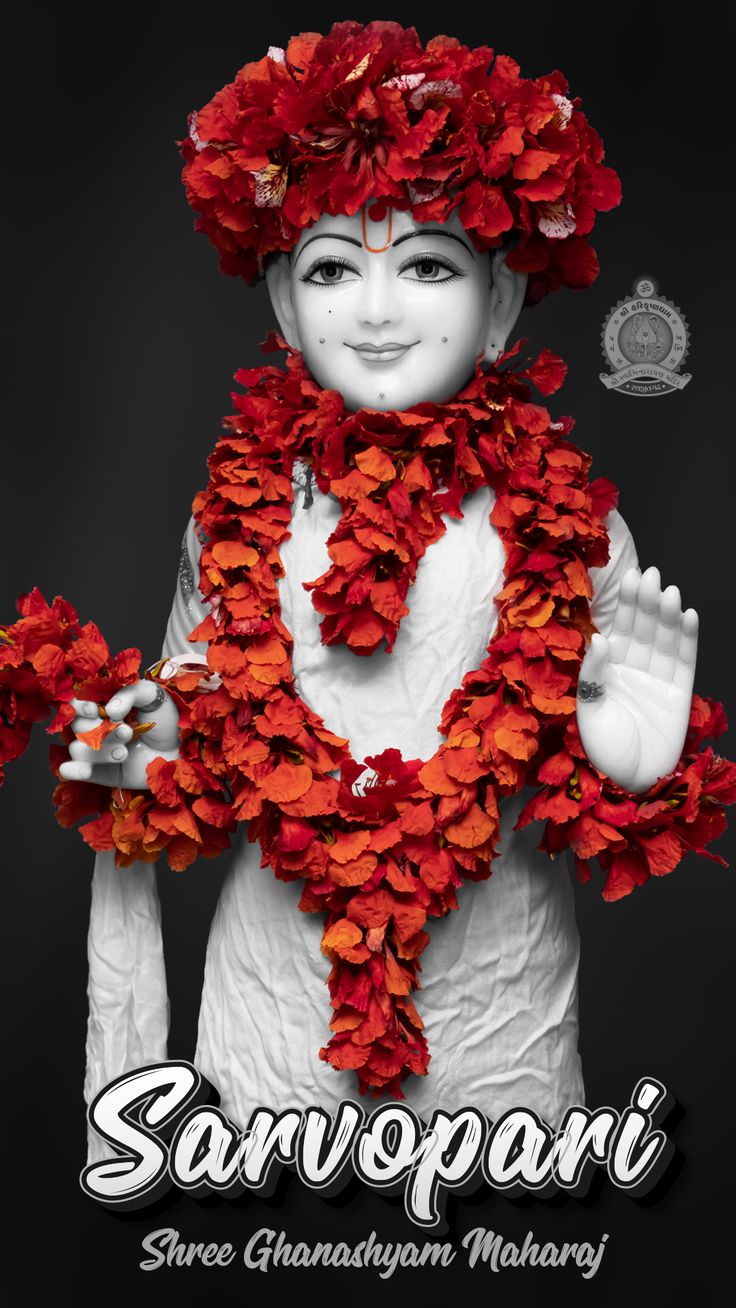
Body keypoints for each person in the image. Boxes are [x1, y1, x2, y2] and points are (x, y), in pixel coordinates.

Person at [3, 23, 726, 1161]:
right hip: (275, 1008)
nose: (378, 310)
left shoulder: (569, 526)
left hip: (498, 1020)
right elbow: (202, 709)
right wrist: (123, 728)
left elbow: (605, 760)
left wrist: (626, 760)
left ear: (499, 304)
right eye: (334, 268)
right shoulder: (234, 514)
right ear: (284, 308)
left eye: (427, 265)